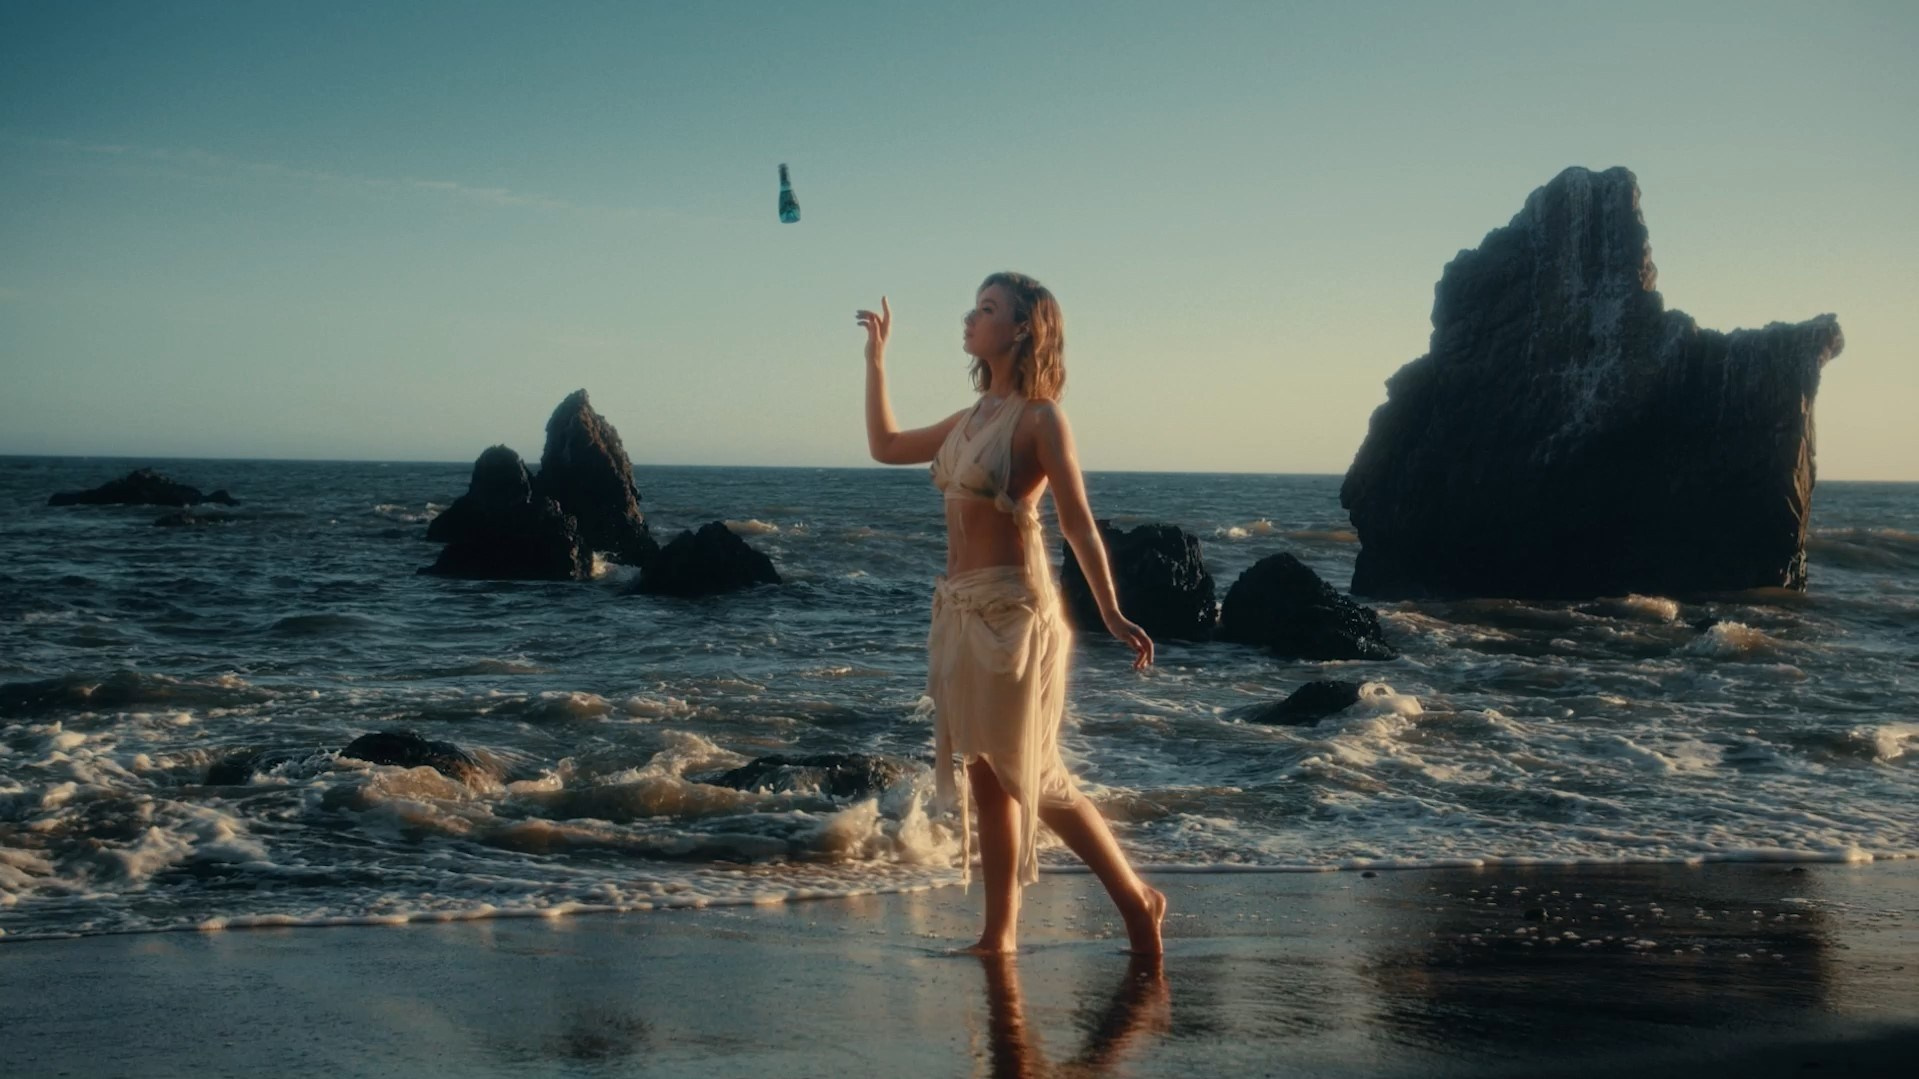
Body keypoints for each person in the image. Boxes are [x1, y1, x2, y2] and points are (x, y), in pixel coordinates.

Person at [857, 271, 1167, 955]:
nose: (971, 317)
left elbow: (1078, 524)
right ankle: (998, 933)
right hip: (960, 612)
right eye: (974, 305)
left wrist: (1110, 611)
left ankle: (1137, 898)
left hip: (1016, 615)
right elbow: (883, 446)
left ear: (1023, 328)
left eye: (987, 308)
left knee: (1032, 772)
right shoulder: (968, 420)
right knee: (983, 774)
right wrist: (877, 360)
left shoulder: (1040, 419)